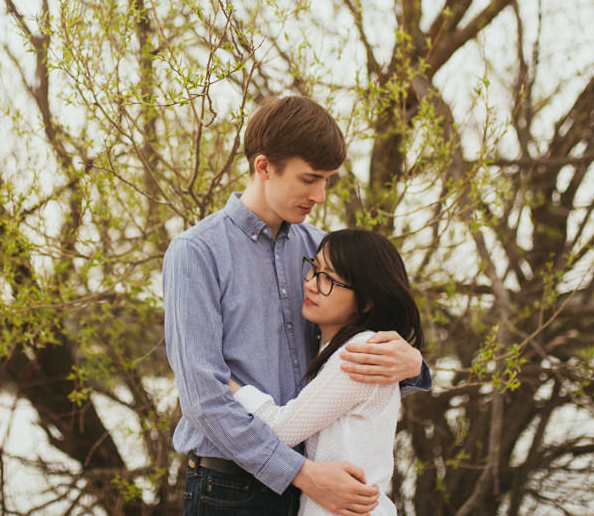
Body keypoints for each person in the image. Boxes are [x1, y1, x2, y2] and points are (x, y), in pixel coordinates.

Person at [163, 95, 430, 516]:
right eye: (310, 179)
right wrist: (300, 473)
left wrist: (415, 367)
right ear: (264, 167)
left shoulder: (322, 253)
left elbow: (359, 343)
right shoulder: (196, 252)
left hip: (320, 492)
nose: (320, 195)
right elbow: (202, 398)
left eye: (326, 180)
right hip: (232, 490)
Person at [229, 228, 424, 516]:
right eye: (314, 269)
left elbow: (282, 429)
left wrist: (225, 384)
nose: (311, 284)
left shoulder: (359, 353)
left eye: (329, 280)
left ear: (368, 300)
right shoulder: (336, 347)